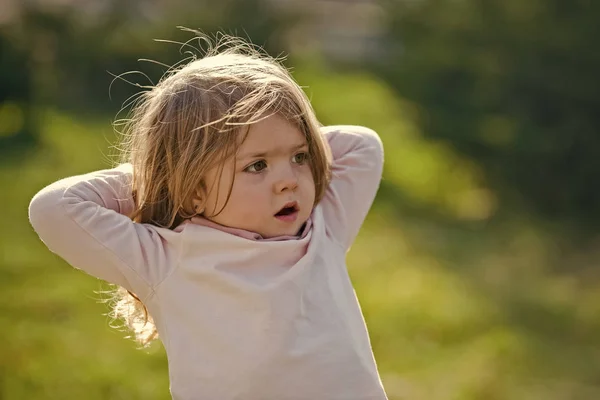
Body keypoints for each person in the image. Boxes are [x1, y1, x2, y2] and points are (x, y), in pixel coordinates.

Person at [28, 34, 387, 400]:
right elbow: (55, 208)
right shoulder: (167, 257)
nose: (288, 181)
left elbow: (364, 145)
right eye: (257, 165)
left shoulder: (323, 230)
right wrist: (166, 173)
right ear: (195, 188)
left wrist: (281, 145)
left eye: (298, 157)